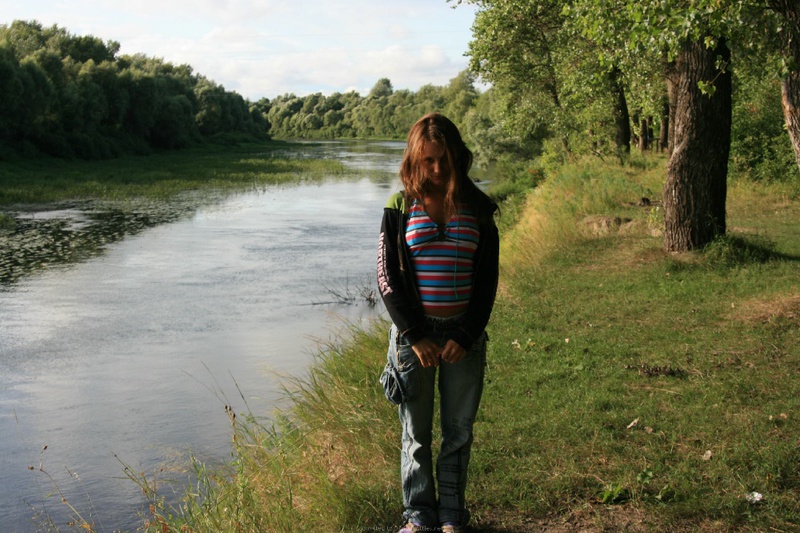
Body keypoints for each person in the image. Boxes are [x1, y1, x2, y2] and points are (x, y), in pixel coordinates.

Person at [377, 113, 499, 533]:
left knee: (458, 432)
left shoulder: (480, 208)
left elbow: (487, 282)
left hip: (463, 338)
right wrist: (414, 335)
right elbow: (387, 277)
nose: (437, 169)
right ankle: (418, 517)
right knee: (416, 435)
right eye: (428, 160)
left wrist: (466, 334)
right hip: (416, 341)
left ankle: (451, 516)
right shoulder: (399, 206)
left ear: (457, 156)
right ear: (415, 158)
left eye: (444, 159)